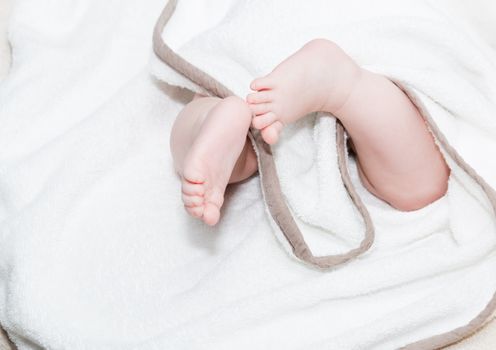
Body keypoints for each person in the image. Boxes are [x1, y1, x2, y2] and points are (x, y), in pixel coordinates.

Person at [169, 38, 450, 226]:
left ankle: (212, 118)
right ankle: (345, 87)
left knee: (203, 108)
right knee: (420, 186)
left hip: (263, 48)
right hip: (351, 28)